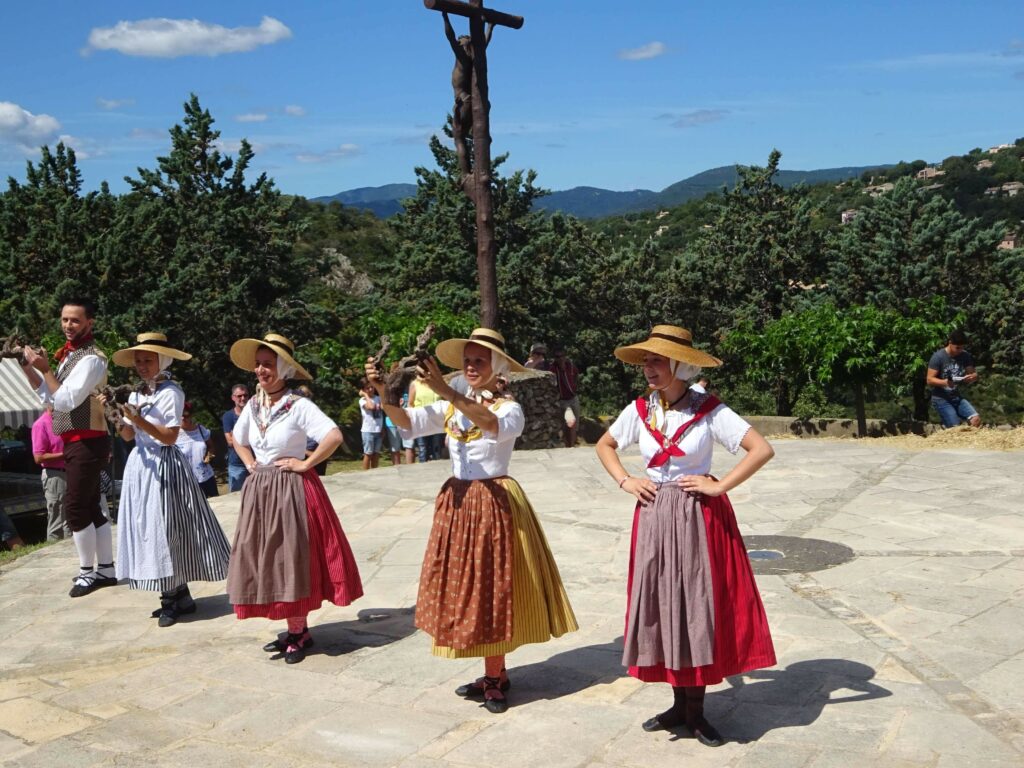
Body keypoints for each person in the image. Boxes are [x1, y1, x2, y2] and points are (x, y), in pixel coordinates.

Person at [365, 327, 577, 714]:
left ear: (498, 370)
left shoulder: (508, 409)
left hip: (493, 502)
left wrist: (448, 392)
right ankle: (492, 671)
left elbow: (492, 426)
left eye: (479, 361)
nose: (471, 366)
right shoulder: (453, 406)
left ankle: (495, 675)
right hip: (458, 503)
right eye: (468, 360)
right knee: (467, 589)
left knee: (492, 589)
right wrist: (383, 392)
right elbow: (406, 423)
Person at [595, 325, 777, 747]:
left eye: (657, 360)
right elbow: (604, 445)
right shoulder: (639, 410)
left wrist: (719, 485)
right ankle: (679, 705)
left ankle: (695, 712)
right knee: (663, 604)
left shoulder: (710, 409)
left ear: (679, 365)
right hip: (655, 516)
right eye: (646, 361)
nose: (649, 369)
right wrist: (625, 480)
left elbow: (761, 448)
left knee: (695, 606)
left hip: (697, 517)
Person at [227, 333, 363, 664]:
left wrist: (305, 463)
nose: (261, 370)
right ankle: (291, 627)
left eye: (268, 364)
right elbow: (239, 439)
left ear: (284, 369)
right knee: (267, 558)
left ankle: (299, 630)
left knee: (292, 557)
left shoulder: (299, 406)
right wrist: (249, 464)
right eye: (258, 364)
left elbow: (333, 435)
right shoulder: (254, 406)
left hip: (291, 491)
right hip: (261, 491)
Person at [108, 333, 231, 626]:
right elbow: (128, 435)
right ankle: (180, 596)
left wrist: (138, 420)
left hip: (165, 465)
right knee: (147, 527)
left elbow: (170, 436)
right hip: (141, 465)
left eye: (147, 360)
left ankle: (171, 597)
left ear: (162, 360)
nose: (142, 365)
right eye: (138, 360)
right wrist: (114, 412)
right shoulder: (138, 393)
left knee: (165, 528)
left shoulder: (171, 392)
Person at [19, 297, 115, 598]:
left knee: (74, 508)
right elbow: (50, 399)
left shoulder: (92, 358)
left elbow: (67, 400)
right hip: (77, 440)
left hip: (87, 440)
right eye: (64, 320)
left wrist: (47, 369)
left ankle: (89, 572)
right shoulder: (69, 357)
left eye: (75, 320)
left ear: (90, 322)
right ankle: (107, 569)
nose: (68, 326)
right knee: (88, 507)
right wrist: (29, 368)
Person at [926, 329, 981, 428]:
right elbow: (929, 380)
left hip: (956, 396)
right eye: (957, 348)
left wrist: (973, 377)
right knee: (955, 427)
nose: (960, 350)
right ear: (950, 343)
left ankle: (969, 441)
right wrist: (945, 382)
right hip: (941, 398)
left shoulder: (965, 356)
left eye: (962, 347)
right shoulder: (938, 357)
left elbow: (971, 373)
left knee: (975, 419)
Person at [31, 405, 69, 541]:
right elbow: (38, 457)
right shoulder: (40, 425)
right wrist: (65, 455)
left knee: (69, 519)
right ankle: (53, 554)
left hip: (69, 472)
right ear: (48, 404)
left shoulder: (64, 421)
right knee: (57, 520)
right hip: (55, 475)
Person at [177, 401, 219, 497]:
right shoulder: (173, 434)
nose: (183, 418)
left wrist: (209, 457)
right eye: (180, 415)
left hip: (207, 477)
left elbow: (211, 447)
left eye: (186, 415)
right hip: (186, 481)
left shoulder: (200, 429)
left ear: (191, 415)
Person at [550, 343, 581, 448]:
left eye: (562, 356)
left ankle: (571, 445)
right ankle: (570, 446)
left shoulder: (570, 366)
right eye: (557, 357)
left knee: (575, 425)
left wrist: (575, 387)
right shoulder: (553, 369)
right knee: (571, 421)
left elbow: (576, 375)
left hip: (573, 398)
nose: (560, 359)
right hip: (563, 401)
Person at [222, 384, 250, 492]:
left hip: (256, 462)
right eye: (239, 396)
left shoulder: (256, 414)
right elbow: (230, 441)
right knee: (236, 498)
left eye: (245, 395)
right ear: (233, 398)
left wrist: (237, 436)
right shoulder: (228, 416)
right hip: (237, 465)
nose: (243, 398)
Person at [408, 379, 444, 462]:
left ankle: (437, 471)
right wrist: (412, 419)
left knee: (436, 448)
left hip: (437, 422)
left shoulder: (437, 383)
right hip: (421, 422)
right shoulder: (415, 384)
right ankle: (423, 472)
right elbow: (410, 403)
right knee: (422, 449)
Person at [296, 385, 328, 476]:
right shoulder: (294, 408)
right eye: (302, 394)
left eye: (307, 395)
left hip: (312, 447)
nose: (305, 397)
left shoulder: (312, 409)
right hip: (305, 449)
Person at [358, 380, 383, 470]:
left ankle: (374, 472)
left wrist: (382, 428)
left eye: (372, 387)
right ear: (363, 390)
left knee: (376, 453)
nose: (371, 389)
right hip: (368, 431)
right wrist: (366, 395)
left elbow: (383, 409)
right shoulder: (362, 400)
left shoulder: (378, 398)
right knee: (368, 453)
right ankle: (365, 473)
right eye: (367, 388)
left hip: (378, 430)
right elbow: (371, 407)